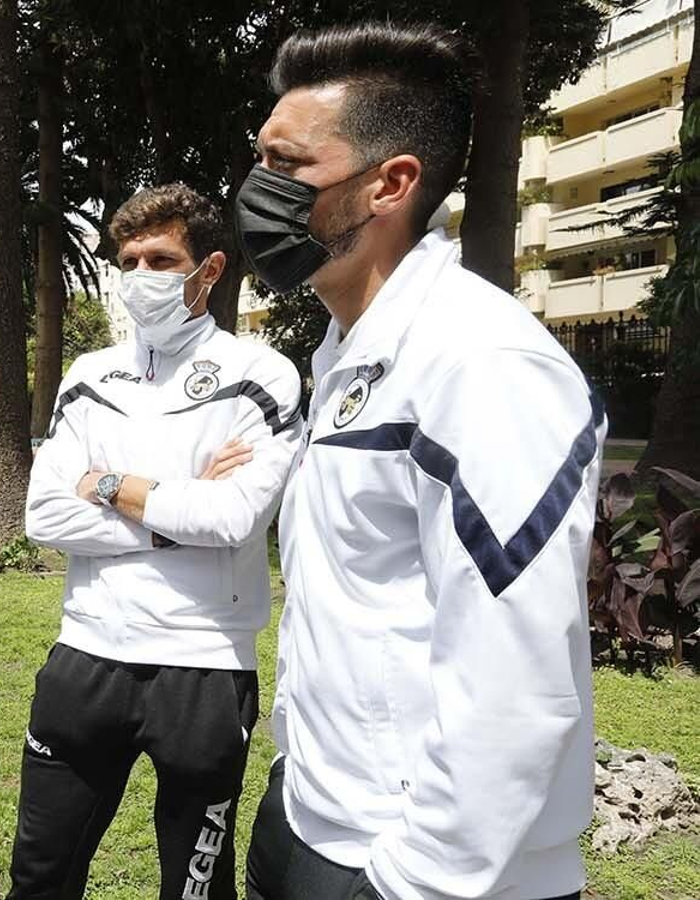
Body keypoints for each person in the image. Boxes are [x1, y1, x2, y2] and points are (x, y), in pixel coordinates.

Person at [237, 23, 605, 900]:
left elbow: (516, 677)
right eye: (259, 159)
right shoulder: (350, 352)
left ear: (390, 184)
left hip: (413, 868)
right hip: (311, 816)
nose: (256, 189)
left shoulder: (482, 363)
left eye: (287, 165)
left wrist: (416, 879)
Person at [12, 183, 304, 900]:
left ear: (209, 269)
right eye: (129, 261)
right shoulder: (89, 376)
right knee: (40, 880)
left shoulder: (260, 374)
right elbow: (44, 516)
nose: (140, 276)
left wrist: (107, 482)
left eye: (162, 260)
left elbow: (233, 518)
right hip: (86, 656)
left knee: (196, 890)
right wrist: (176, 508)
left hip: (203, 668)